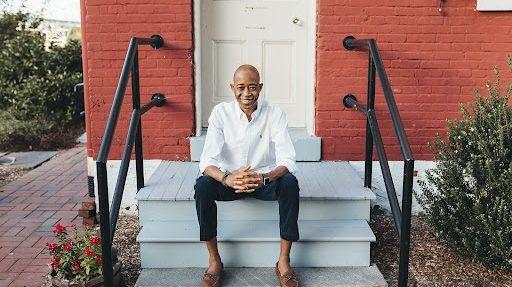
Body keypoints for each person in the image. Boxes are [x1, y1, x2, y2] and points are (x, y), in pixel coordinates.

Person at [194, 64, 300, 287]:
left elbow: (288, 159)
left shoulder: (275, 113)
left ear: (260, 88)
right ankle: (214, 261)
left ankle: (283, 261)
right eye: (240, 87)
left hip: (263, 181)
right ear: (232, 88)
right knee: (203, 185)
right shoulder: (221, 113)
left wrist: (265, 178)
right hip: (229, 181)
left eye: (252, 87)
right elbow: (206, 162)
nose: (247, 93)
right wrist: (227, 178)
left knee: (289, 183)